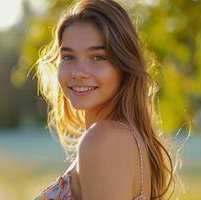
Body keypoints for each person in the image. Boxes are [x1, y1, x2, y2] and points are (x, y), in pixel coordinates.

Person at [33, 0, 179, 199]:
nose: (78, 72)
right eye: (68, 57)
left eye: (98, 57)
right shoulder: (125, 137)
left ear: (124, 64)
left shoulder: (103, 141)